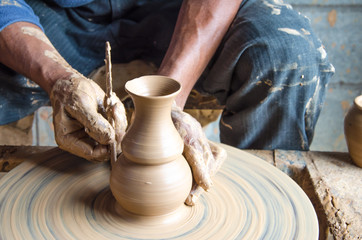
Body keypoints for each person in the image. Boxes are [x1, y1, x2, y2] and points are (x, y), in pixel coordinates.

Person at [0, 0, 334, 203]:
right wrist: (59, 78)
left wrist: (167, 102)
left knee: (288, 57)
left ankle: (265, 210)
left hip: (176, 12)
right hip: (48, 15)